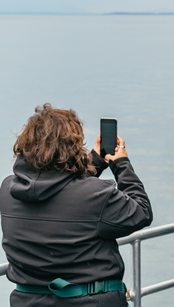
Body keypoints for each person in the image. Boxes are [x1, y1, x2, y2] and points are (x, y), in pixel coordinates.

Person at [0, 104, 153, 307]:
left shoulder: (8, 190)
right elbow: (141, 211)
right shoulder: (97, 196)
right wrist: (121, 164)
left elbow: (59, 193)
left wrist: (95, 162)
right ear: (72, 147)